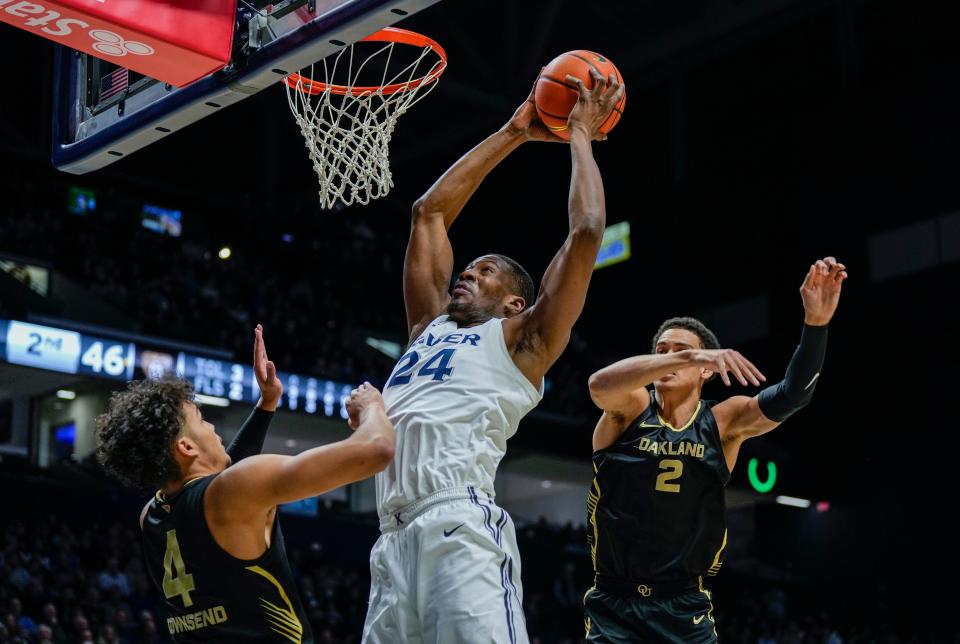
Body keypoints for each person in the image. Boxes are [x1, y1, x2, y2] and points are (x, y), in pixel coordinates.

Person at [361, 70, 624, 644]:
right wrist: (514, 131)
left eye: (483, 271)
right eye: (467, 266)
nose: (465, 272)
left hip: (459, 525)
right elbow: (428, 213)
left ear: (514, 302)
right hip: (390, 539)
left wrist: (579, 132)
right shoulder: (426, 328)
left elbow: (587, 230)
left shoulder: (522, 340)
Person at [583, 258, 847, 643]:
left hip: (684, 606)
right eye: (661, 351)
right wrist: (687, 355)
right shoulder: (630, 408)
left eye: (683, 351)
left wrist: (816, 325)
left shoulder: (723, 421)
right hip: (614, 605)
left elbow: (794, 396)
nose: (668, 357)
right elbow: (597, 385)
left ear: (708, 369)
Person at [96, 325, 395, 643]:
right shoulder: (231, 493)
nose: (211, 426)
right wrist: (372, 407)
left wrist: (267, 404)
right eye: (201, 419)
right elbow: (376, 451)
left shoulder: (152, 515)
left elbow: (223, 483)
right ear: (186, 448)